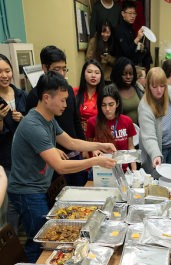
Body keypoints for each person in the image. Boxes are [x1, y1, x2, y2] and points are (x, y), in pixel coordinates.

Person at [7, 71, 117, 263]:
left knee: (43, 239)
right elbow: (60, 166)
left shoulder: (48, 120)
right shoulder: (33, 125)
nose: (66, 105)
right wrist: (95, 161)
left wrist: (99, 145)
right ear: (46, 98)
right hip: (27, 192)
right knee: (40, 244)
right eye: (63, 100)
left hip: (37, 189)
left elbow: (71, 142)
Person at [26, 45, 87, 187]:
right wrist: (53, 149)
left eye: (64, 68)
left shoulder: (69, 90)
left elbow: (75, 120)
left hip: (74, 152)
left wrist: (84, 148)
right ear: (45, 68)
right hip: (53, 159)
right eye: (56, 69)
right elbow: (37, 133)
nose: (61, 73)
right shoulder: (35, 96)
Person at [138, 67, 171, 175]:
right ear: (148, 86)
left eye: (162, 86)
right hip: (157, 150)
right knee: (157, 183)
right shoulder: (144, 106)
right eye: (154, 87)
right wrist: (156, 154)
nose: (159, 90)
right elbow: (149, 136)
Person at [0, 53, 27, 232]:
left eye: (7, 70)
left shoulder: (21, 94)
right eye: (0, 72)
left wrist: (22, 118)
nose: (4, 75)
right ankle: (9, 241)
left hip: (24, 157)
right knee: (8, 204)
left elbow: (31, 123)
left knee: (22, 198)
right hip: (5, 158)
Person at [86, 84, 137, 172]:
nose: (107, 109)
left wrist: (134, 170)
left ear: (117, 103)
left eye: (111, 104)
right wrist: (94, 150)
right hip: (101, 170)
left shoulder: (127, 121)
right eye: (103, 105)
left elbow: (131, 147)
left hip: (122, 169)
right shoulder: (92, 122)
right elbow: (88, 145)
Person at [114, 1, 152, 68]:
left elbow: (133, 47)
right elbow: (127, 52)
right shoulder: (120, 30)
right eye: (130, 13)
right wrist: (137, 38)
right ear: (123, 13)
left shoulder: (131, 28)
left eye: (134, 13)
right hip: (123, 66)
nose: (133, 16)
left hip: (132, 64)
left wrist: (140, 46)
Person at [74, 59, 105, 136]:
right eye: (89, 72)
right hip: (77, 136)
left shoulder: (105, 95)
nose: (93, 75)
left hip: (98, 136)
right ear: (83, 74)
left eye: (97, 73)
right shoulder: (74, 92)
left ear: (101, 76)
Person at [110, 57, 143, 124]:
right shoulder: (111, 91)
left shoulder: (138, 88)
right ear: (118, 74)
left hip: (139, 130)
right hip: (121, 131)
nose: (128, 77)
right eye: (124, 74)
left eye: (131, 74)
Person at [85, 19, 116, 84]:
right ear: (99, 32)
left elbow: (117, 61)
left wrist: (109, 58)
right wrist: (98, 60)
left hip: (109, 77)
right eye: (103, 32)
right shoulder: (93, 41)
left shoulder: (113, 42)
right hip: (96, 76)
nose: (105, 35)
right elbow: (88, 59)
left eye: (108, 33)